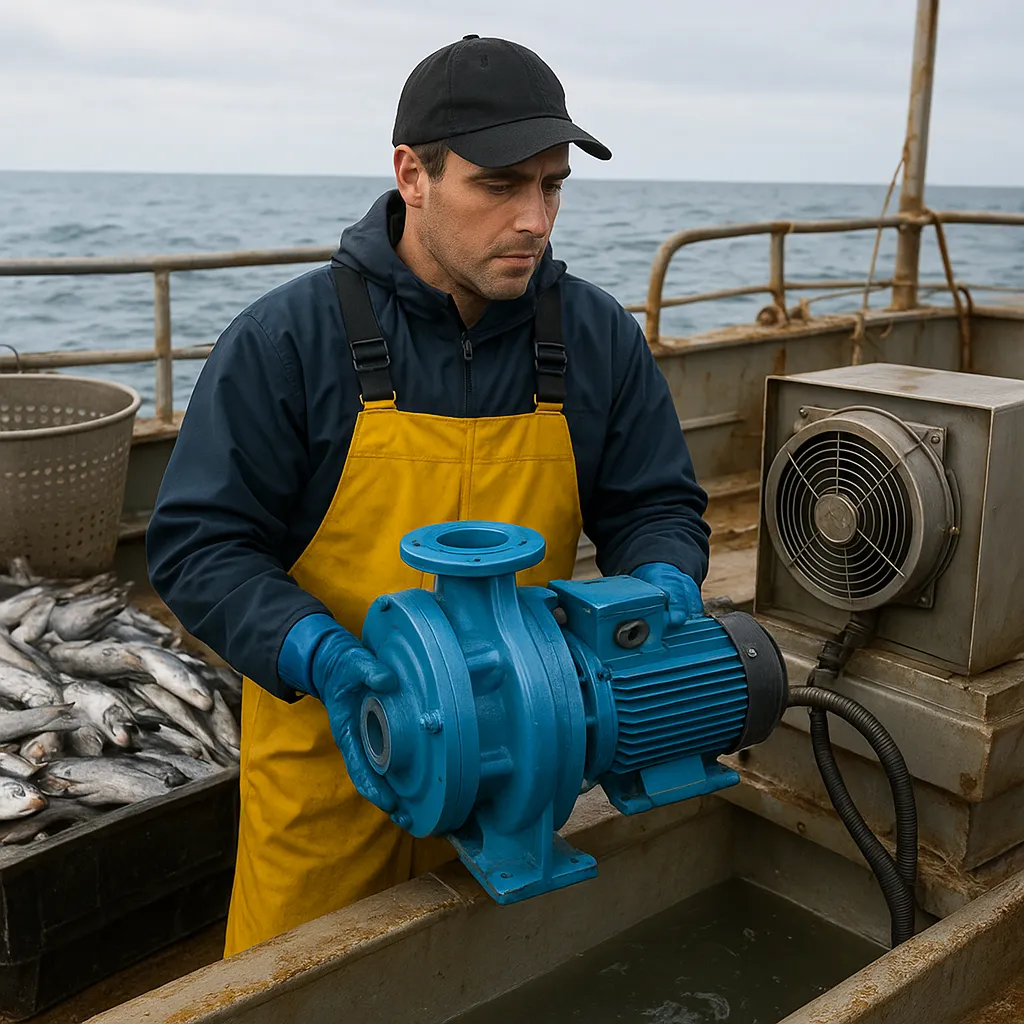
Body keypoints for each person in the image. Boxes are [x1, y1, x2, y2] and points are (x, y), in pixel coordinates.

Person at [147, 34, 711, 958]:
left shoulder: (597, 336)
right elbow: (200, 546)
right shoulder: (287, 341)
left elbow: (654, 505)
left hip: (530, 772)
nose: (536, 218)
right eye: (500, 185)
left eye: (553, 185)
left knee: (500, 986)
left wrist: (662, 591)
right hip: (336, 762)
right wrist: (325, 658)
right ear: (412, 174)